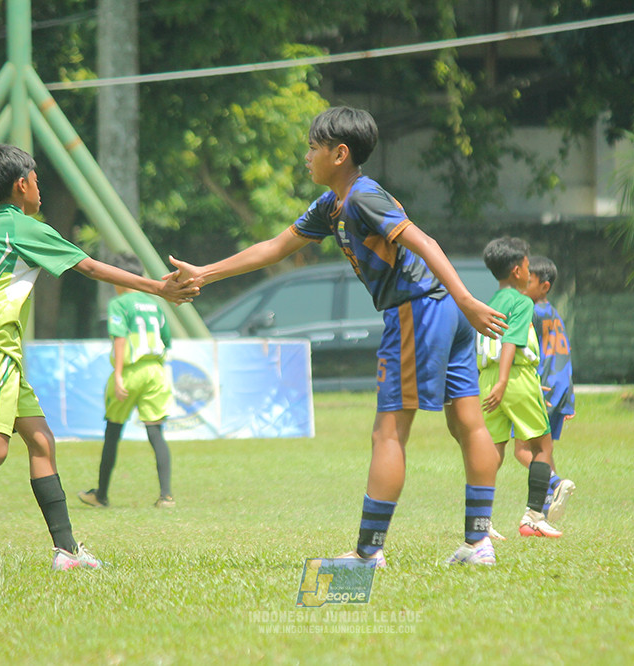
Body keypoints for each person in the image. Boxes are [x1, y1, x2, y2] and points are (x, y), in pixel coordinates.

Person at [171, 106, 506, 566]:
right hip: (444, 310)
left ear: (339, 153)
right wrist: (205, 273)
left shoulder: (363, 197)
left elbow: (424, 242)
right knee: (467, 423)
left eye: (313, 147)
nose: (306, 156)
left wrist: (467, 298)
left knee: (388, 433)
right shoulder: (333, 205)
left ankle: (369, 553)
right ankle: (478, 543)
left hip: (419, 310)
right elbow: (276, 247)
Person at [0, 144, 199, 576]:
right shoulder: (21, 227)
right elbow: (90, 267)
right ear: (22, 184)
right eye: (36, 180)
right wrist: (158, 288)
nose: (40, 188)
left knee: (42, 442)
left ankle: (66, 551)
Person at [477, 237, 563, 539]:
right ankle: (534, 516)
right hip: (513, 378)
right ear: (516, 270)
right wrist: (504, 382)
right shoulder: (522, 301)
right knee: (542, 446)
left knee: (492, 451)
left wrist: (493, 383)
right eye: (527, 265)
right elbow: (512, 341)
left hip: (485, 380)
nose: (530, 270)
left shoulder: (490, 302)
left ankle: (481, 521)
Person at [78, 252, 175, 510]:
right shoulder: (155, 304)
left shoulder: (119, 304)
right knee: (156, 433)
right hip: (156, 372)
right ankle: (166, 496)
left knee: (113, 432)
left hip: (130, 371)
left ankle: (101, 495)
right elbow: (167, 340)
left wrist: (119, 375)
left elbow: (119, 338)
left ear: (119, 278)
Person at [510, 255, 576, 523]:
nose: (523, 285)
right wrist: (569, 399)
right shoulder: (553, 312)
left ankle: (556, 483)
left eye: (529, 280)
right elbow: (563, 352)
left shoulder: (532, 311)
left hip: (543, 386)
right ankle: (547, 506)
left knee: (522, 450)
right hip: (561, 387)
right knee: (543, 449)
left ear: (544, 286)